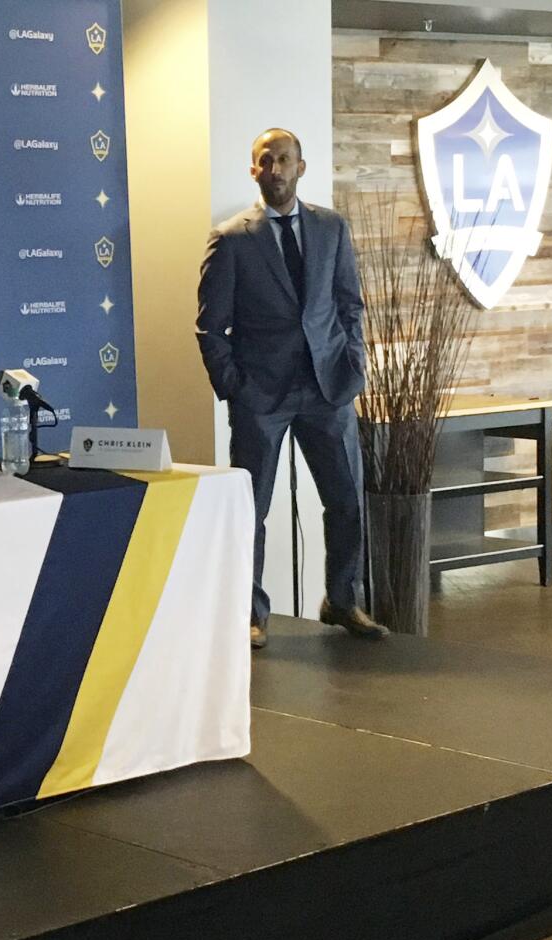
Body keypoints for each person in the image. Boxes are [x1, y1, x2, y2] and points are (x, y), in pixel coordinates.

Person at [195, 127, 388, 651]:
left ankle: (342, 600)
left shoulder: (331, 228)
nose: (276, 169)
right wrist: (236, 388)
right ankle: (252, 615)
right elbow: (210, 328)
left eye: (285, 160)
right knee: (250, 508)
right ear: (253, 169)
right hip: (261, 397)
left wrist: (354, 366)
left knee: (346, 499)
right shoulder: (232, 238)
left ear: (301, 167)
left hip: (328, 390)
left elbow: (350, 305)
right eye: (266, 160)